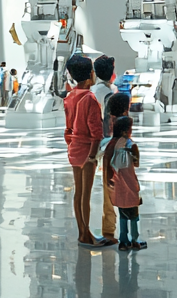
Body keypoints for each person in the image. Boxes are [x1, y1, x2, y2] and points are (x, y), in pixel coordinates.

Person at [63, 53, 106, 248]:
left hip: (74, 148)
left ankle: (83, 231)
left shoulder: (70, 96)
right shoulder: (90, 99)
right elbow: (96, 132)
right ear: (91, 74)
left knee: (78, 192)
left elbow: (68, 127)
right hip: (87, 150)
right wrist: (92, 156)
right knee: (85, 195)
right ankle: (86, 234)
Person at [103, 116, 144, 251]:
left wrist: (109, 179)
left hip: (119, 185)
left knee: (122, 215)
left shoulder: (113, 145)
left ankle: (123, 242)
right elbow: (136, 163)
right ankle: (135, 240)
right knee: (134, 215)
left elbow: (109, 163)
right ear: (126, 131)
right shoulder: (131, 145)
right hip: (131, 184)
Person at [92, 55, 118, 245]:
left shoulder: (93, 91)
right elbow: (110, 122)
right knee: (110, 186)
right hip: (107, 143)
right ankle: (109, 229)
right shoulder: (109, 93)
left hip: (92, 143)